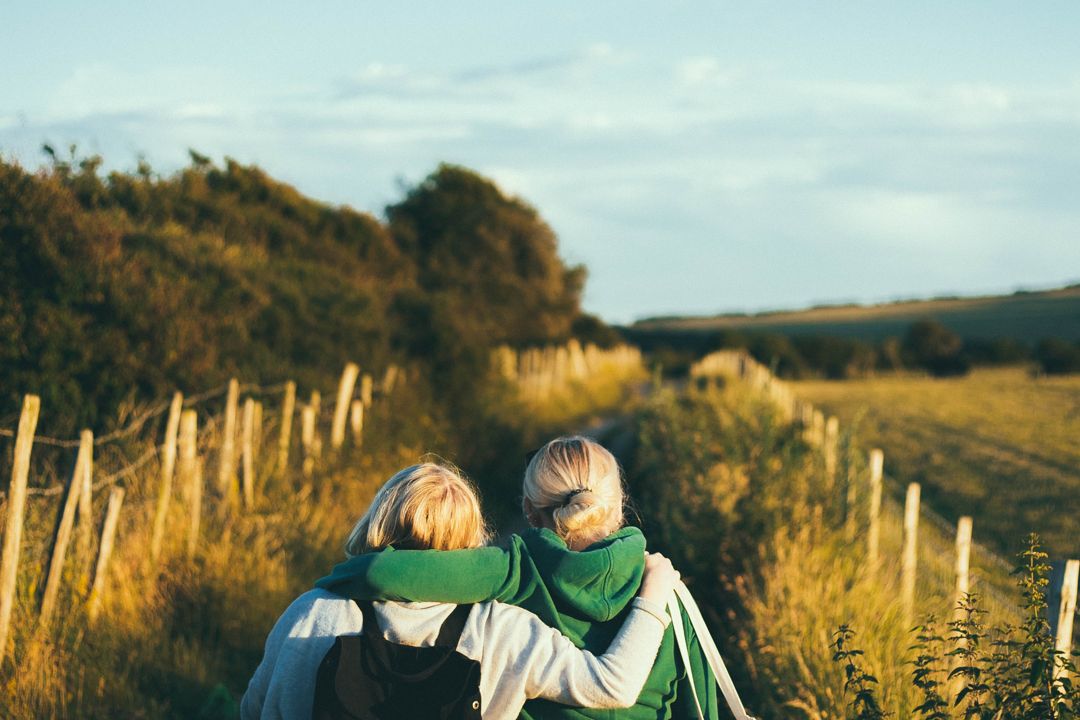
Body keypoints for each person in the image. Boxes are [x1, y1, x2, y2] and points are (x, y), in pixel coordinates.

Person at [318, 436, 723, 719]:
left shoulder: (514, 567)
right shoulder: (664, 590)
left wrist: (330, 582)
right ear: (618, 507)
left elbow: (378, 572)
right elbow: (700, 705)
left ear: (530, 511)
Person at [241, 462, 682, 720]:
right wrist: (653, 595)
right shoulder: (502, 629)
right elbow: (614, 686)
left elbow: (254, 709)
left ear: (377, 520)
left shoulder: (312, 614)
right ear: (472, 538)